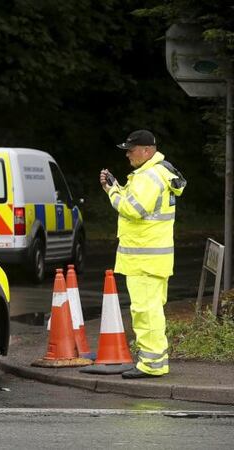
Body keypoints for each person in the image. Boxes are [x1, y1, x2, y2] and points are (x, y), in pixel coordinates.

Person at [99, 129, 186, 379]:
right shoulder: (154, 173)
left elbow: (132, 209)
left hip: (144, 260)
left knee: (145, 312)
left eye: (131, 149)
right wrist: (117, 186)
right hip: (151, 259)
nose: (127, 154)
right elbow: (138, 203)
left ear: (147, 151)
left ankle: (152, 364)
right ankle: (152, 360)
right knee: (150, 311)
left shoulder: (149, 176)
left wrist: (112, 192)